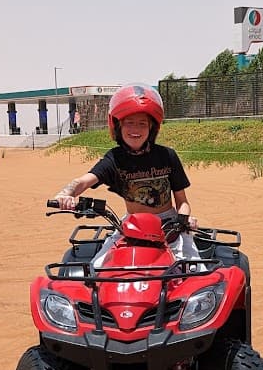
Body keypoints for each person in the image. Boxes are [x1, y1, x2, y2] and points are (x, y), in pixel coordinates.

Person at [53, 84, 199, 259]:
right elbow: (85, 181)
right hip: (133, 226)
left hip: (169, 226)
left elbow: (182, 202)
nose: (135, 129)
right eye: (129, 123)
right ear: (118, 127)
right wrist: (66, 194)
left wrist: (183, 219)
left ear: (151, 128)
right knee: (98, 266)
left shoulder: (167, 155)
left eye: (142, 124)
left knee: (194, 268)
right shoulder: (115, 158)